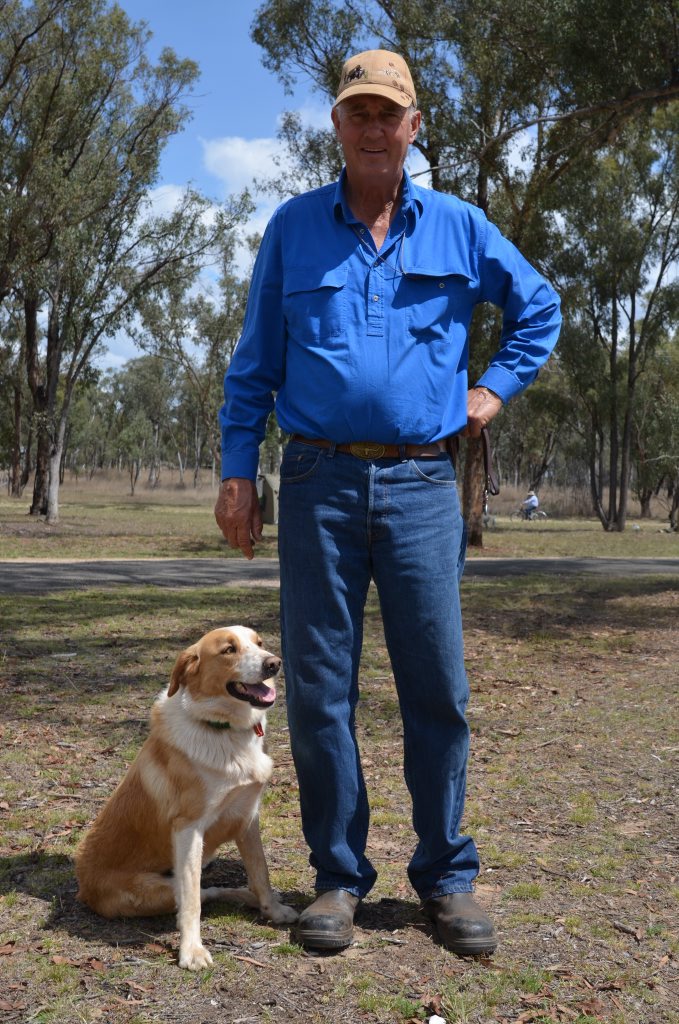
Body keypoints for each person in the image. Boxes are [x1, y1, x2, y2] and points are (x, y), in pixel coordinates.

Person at [215, 49, 561, 956]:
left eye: (387, 113)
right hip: (318, 483)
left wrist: (490, 391)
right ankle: (337, 879)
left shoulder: (460, 227)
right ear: (336, 125)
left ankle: (446, 876)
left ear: (413, 127)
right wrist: (237, 468)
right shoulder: (294, 228)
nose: (372, 128)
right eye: (356, 112)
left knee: (436, 686)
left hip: (421, 485)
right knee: (319, 690)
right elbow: (253, 363)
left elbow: (540, 308)